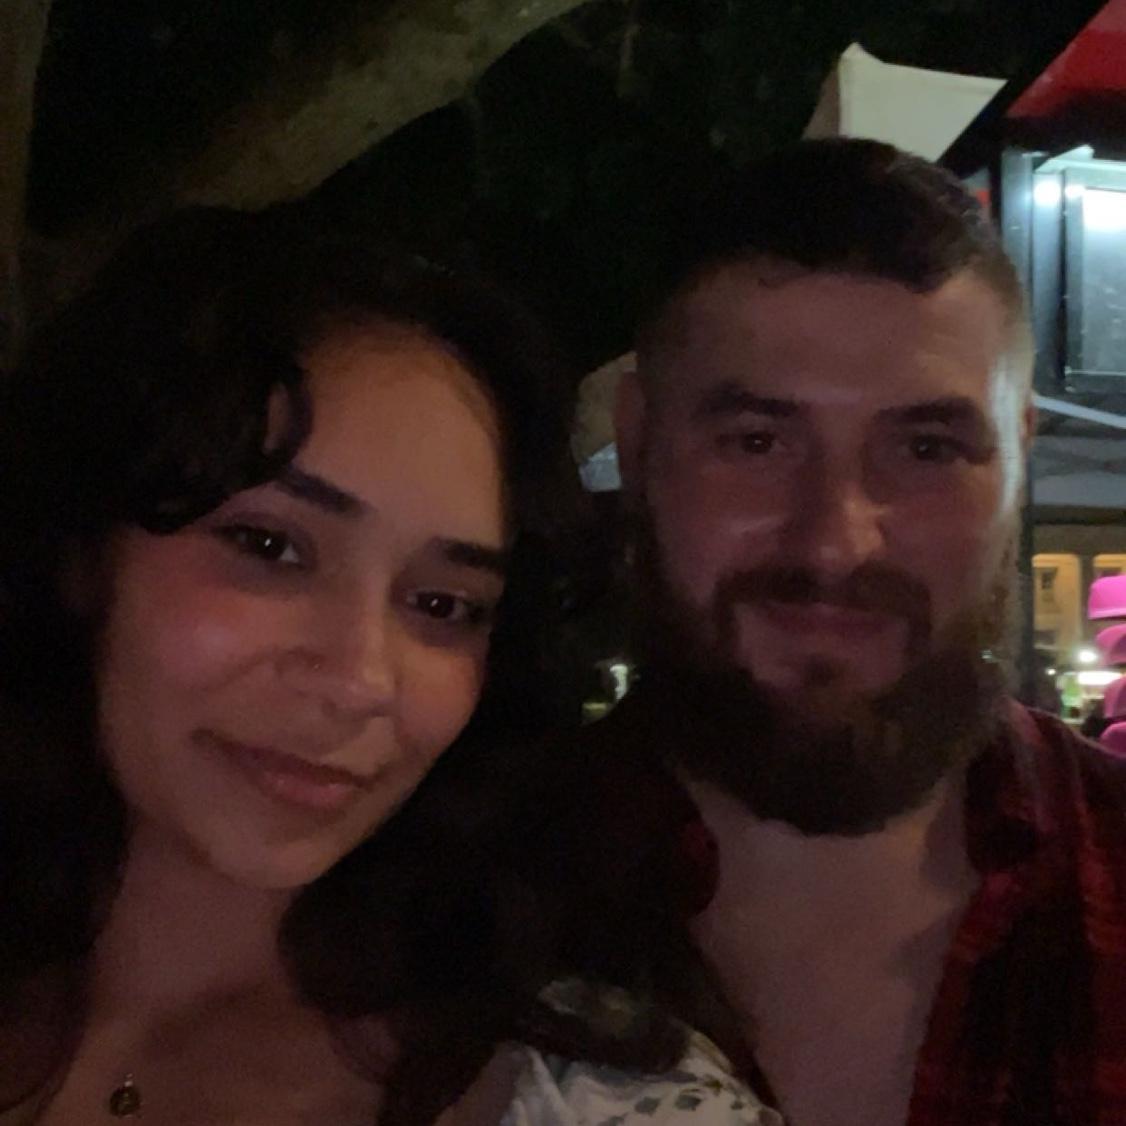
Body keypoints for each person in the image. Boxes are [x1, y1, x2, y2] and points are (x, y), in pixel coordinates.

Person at [0, 207, 777, 1125]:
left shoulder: (606, 1103)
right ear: (85, 551)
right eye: (270, 547)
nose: (361, 678)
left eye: (442, 605)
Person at [522, 137, 1126, 1126]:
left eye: (925, 448)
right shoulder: (424, 921)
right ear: (636, 444)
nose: (836, 541)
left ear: (1018, 458)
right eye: (756, 442)